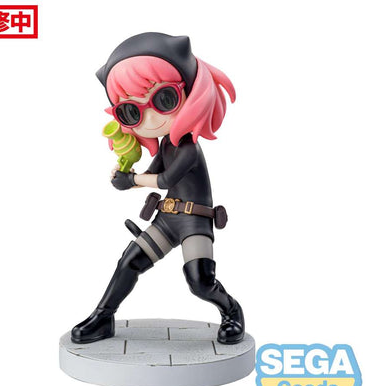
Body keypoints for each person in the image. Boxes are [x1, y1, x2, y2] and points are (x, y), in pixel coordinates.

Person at [71, 32, 245, 345]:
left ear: (191, 93)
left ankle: (232, 310)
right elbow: (152, 173)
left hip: (194, 220)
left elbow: (164, 180)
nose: (149, 119)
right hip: (168, 219)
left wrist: (133, 181)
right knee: (130, 261)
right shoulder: (167, 145)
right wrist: (125, 176)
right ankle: (103, 316)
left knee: (200, 281)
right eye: (131, 111)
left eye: (165, 99)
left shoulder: (188, 148)